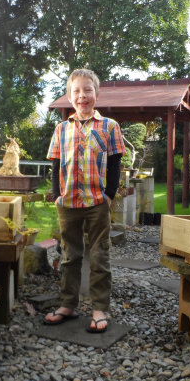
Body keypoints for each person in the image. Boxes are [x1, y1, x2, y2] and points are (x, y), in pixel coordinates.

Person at [43, 68, 125, 333]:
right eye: (76, 91)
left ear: (96, 94)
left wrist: (109, 195)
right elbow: (55, 165)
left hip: (97, 202)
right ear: (69, 96)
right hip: (68, 203)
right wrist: (56, 195)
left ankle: (100, 308)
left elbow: (115, 165)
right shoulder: (61, 128)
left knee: (99, 255)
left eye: (87, 90)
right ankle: (68, 304)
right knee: (69, 255)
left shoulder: (110, 127)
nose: (82, 96)